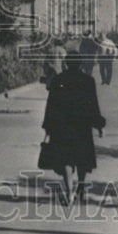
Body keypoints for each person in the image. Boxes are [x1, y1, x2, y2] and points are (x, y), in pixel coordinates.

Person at [41, 53, 106, 202]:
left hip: (63, 126)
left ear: (66, 63)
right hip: (82, 125)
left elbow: (51, 105)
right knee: (82, 158)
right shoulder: (88, 81)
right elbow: (93, 105)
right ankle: (81, 186)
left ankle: (69, 192)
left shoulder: (58, 80)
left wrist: (48, 128)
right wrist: (99, 125)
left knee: (66, 159)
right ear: (81, 63)